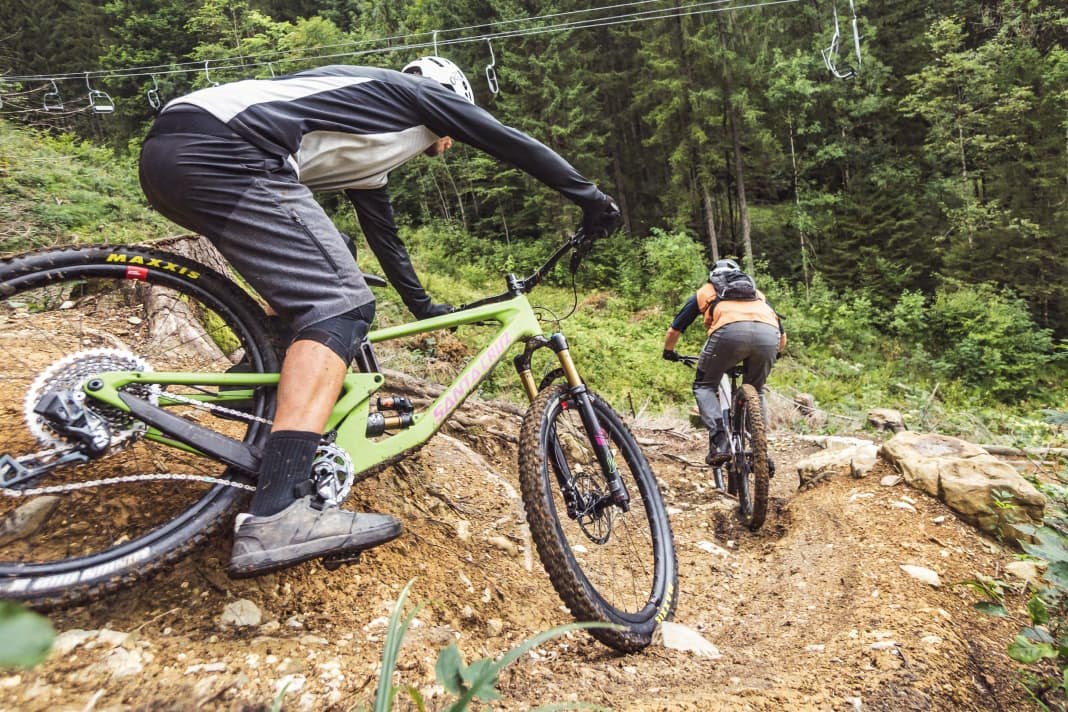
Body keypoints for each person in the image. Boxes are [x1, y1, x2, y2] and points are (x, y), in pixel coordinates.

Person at [138, 56, 621, 578]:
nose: (451, 139)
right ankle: (277, 513)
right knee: (340, 306)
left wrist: (426, 308)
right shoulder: (407, 95)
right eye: (458, 116)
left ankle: (253, 397)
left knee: (328, 266)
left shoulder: (370, 142)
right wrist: (590, 198)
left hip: (177, 154)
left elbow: (384, 239)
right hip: (225, 151)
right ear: (448, 96)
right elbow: (508, 139)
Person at [661, 259, 786, 466]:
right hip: (768, 335)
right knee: (758, 389)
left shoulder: (706, 291)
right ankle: (759, 449)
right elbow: (782, 336)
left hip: (728, 335)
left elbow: (675, 329)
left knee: (704, 385)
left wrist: (669, 351)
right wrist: (776, 354)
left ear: (713, 275)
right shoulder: (757, 295)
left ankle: (720, 441)